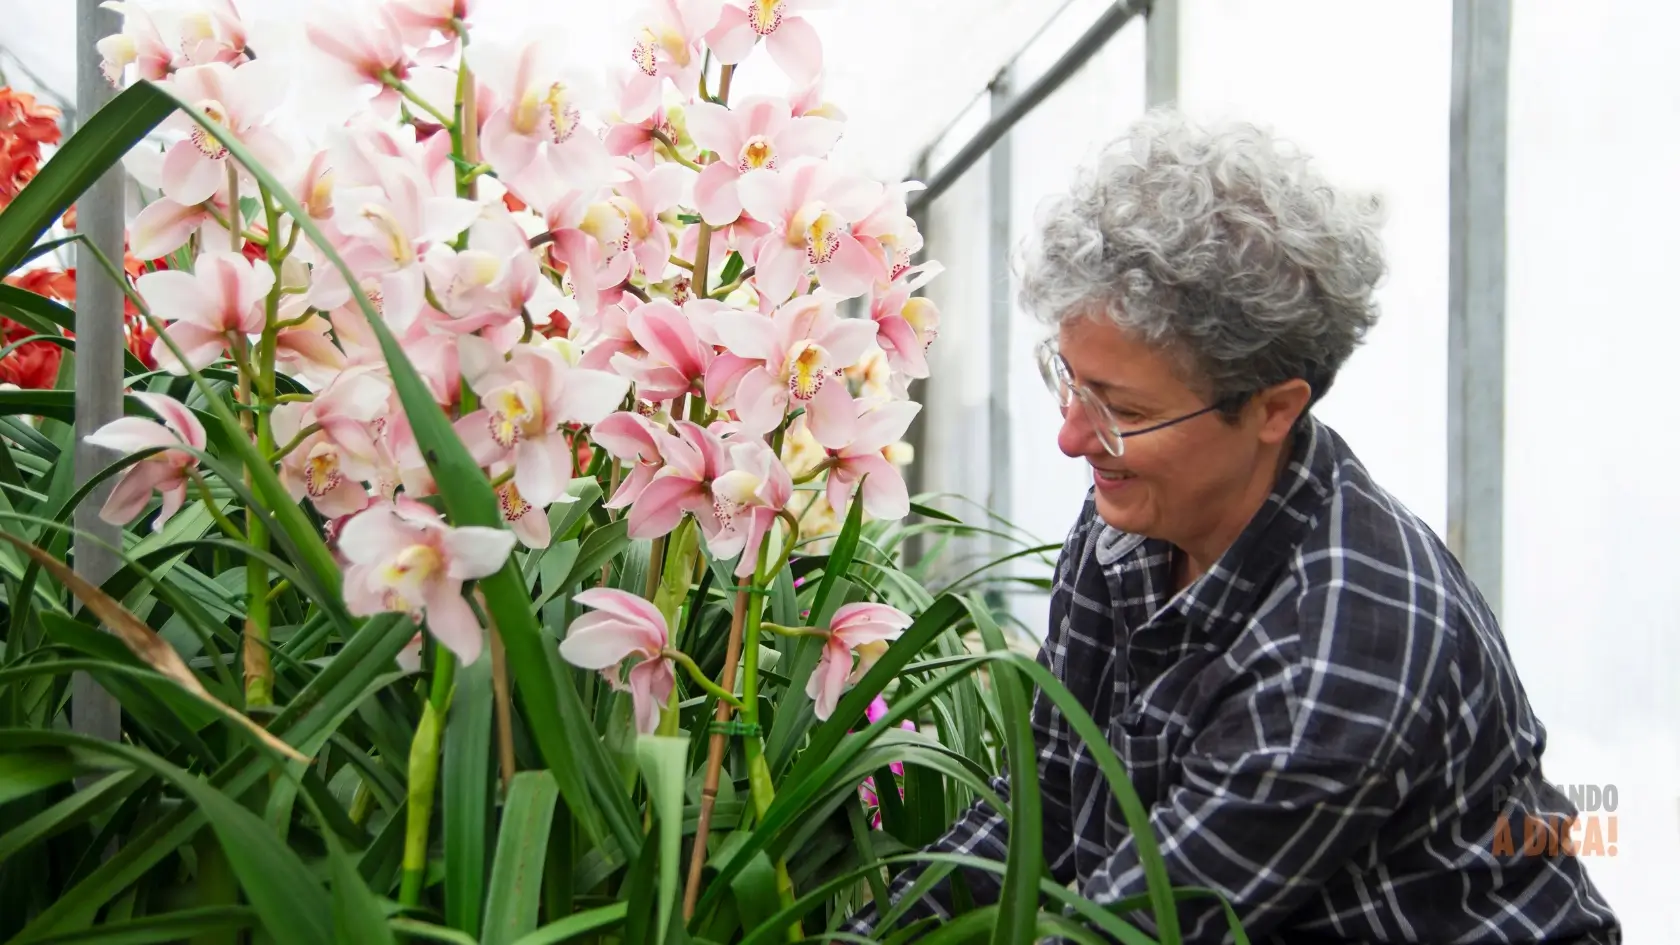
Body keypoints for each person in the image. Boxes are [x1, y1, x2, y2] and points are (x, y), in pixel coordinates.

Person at [843, 109, 1621, 943]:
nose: (1071, 435)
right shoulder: (1132, 523)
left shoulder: (1346, 651)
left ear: (1274, 408)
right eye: (1070, 382)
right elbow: (1048, 808)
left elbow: (1130, 926)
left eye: (1122, 408)